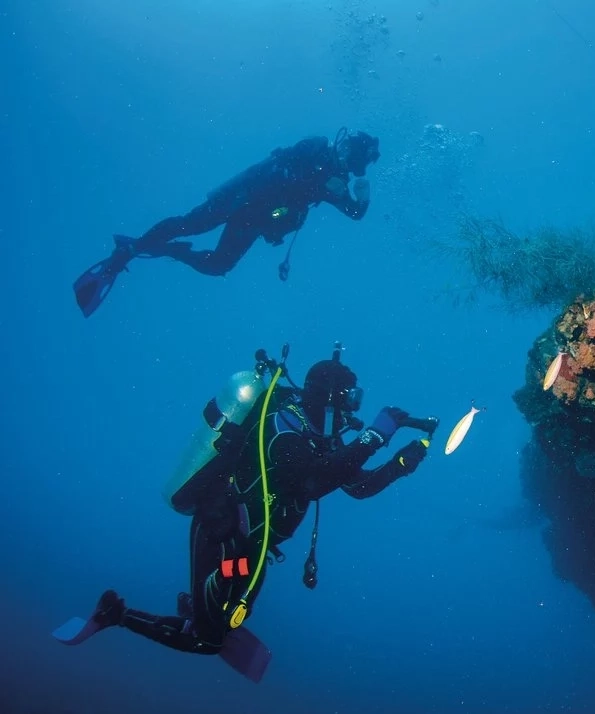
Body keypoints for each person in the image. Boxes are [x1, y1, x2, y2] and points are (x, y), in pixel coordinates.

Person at [73, 346, 435, 677]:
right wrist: (374, 437)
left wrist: (405, 461)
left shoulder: (320, 438)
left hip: (252, 551)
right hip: (222, 538)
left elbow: (359, 486)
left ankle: (197, 606)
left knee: (226, 618)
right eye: (348, 400)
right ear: (327, 397)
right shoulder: (283, 428)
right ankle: (115, 613)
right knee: (207, 641)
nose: (350, 411)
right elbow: (312, 482)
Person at [73, 128, 382, 317]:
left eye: (355, 162)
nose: (348, 162)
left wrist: (361, 199)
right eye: (350, 154)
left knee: (218, 266)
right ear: (347, 146)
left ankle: (170, 251)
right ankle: (131, 250)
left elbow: (354, 214)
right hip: (242, 195)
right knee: (190, 223)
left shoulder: (337, 181)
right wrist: (320, 178)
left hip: (256, 219)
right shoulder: (317, 146)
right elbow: (285, 162)